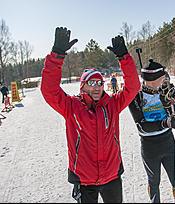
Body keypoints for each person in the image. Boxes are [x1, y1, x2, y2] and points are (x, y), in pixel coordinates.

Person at [40, 27, 140, 203]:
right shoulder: (71, 106)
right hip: (84, 179)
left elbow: (133, 87)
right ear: (82, 86)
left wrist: (124, 58)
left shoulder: (113, 105)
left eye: (100, 82)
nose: (97, 87)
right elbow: (49, 90)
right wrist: (57, 55)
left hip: (111, 176)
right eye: (91, 82)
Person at [128, 59, 175, 203]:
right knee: (154, 182)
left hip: (168, 142)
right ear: (153, 79)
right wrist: (166, 123)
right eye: (163, 77)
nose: (165, 79)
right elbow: (142, 126)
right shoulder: (137, 96)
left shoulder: (165, 89)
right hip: (149, 146)